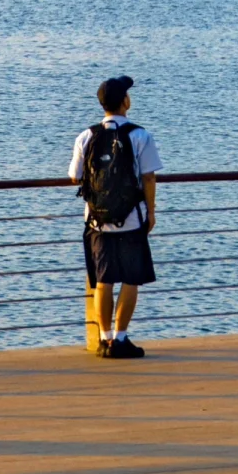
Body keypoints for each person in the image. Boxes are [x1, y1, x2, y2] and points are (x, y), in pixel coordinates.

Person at [69, 74, 163, 359]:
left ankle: (103, 338)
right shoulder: (140, 135)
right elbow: (148, 178)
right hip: (131, 218)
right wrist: (151, 212)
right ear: (125, 102)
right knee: (131, 279)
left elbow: (75, 177)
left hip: (96, 220)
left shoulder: (86, 136)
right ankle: (121, 339)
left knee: (103, 280)